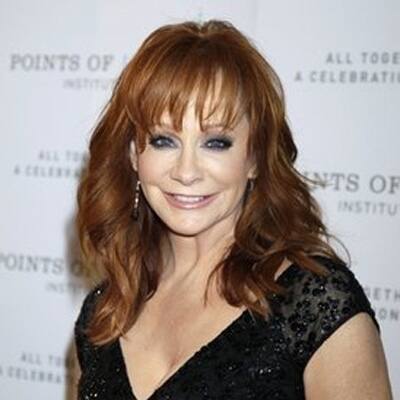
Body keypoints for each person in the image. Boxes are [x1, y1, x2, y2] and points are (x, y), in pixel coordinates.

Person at [73, 19, 393, 400]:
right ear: (133, 157)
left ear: (255, 157)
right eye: (163, 140)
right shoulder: (104, 313)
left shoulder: (315, 307)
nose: (186, 172)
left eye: (216, 142)